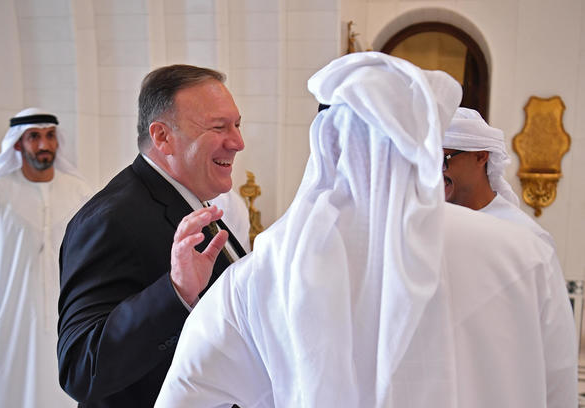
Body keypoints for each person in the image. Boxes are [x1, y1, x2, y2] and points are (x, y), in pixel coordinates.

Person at [154, 52, 577, 407]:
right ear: (425, 145)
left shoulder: (265, 272)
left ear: (327, 144)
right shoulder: (523, 252)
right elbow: (558, 392)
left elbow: (185, 396)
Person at [57, 64, 247, 407]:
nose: (237, 142)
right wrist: (175, 291)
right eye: (219, 127)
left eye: (237, 124)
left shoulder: (192, 202)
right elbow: (80, 369)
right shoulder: (111, 219)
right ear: (162, 137)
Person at [0, 107, 92, 408]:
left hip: (66, 315)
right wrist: (1, 307)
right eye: (33, 137)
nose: (43, 145)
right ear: (18, 144)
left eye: (49, 136)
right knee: (11, 389)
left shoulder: (80, 193)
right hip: (12, 318)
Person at [442, 107, 554, 246]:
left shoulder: (528, 238)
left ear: (480, 157)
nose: (434, 173)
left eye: (442, 160)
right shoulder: (425, 225)